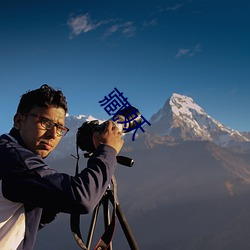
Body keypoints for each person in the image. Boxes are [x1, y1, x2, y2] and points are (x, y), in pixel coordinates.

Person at [0, 84, 124, 250]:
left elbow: (23, 223)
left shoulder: (11, 154)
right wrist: (107, 151)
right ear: (19, 121)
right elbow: (83, 199)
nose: (52, 134)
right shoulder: (14, 159)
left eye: (59, 128)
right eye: (45, 122)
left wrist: (54, 197)